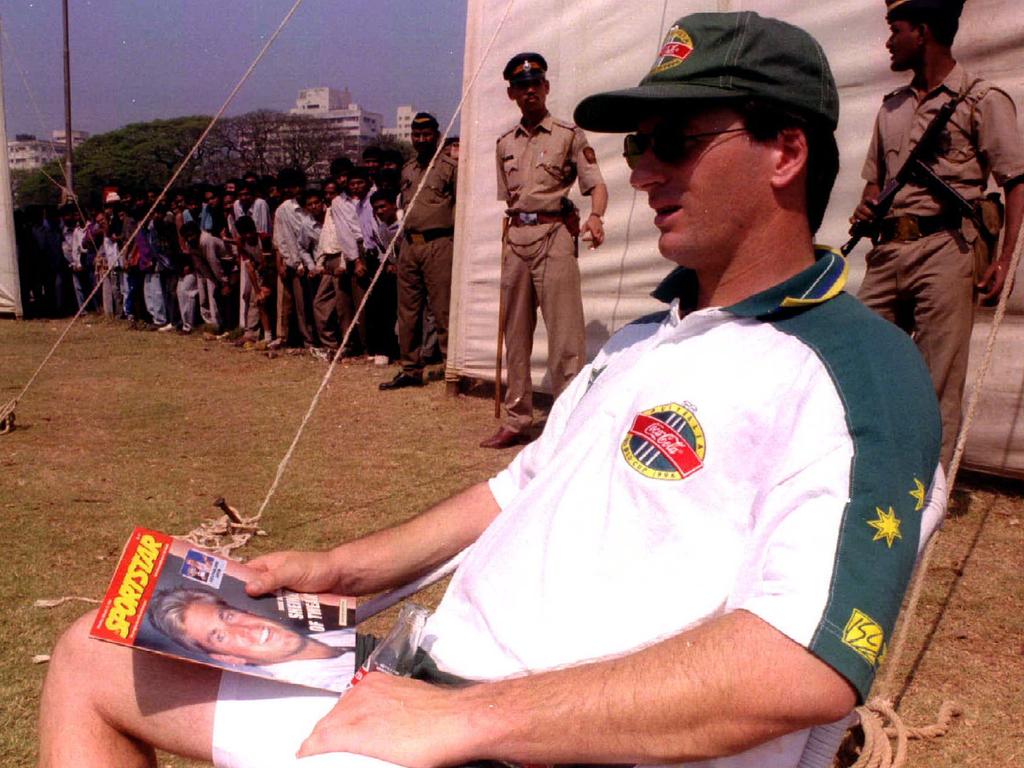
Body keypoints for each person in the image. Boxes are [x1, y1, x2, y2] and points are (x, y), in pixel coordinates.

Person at [40, 12, 946, 768]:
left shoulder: (854, 371)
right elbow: (514, 491)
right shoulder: (641, 338)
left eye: (675, 142)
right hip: (426, 681)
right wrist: (338, 573)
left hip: (534, 738)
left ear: (787, 152)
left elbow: (799, 665)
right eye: (637, 144)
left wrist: (464, 720)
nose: (642, 170)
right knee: (90, 658)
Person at [850, 0, 1024, 469]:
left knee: (937, 381)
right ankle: (869, 471)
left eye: (896, 29)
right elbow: (876, 183)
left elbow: (1015, 182)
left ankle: (928, 489)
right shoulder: (892, 107)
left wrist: (1003, 262)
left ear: (922, 32)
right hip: (889, 252)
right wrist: (866, 209)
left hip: (948, 249)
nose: (888, 40)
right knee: (860, 360)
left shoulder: (981, 100)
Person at [481, 52, 609, 448]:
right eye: (522, 86)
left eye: (536, 83)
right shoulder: (504, 144)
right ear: (511, 94)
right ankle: (518, 420)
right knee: (515, 333)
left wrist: (596, 217)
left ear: (547, 87)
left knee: (566, 333)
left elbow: (596, 185)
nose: (530, 90)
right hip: (516, 240)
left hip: (555, 238)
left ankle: (568, 420)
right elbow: (510, 198)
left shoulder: (569, 135)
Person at [148, 587, 356, 693]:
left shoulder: (333, 633)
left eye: (228, 616)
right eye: (220, 636)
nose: (244, 630)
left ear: (247, 611)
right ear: (228, 658)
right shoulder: (318, 687)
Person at [380, 112, 458, 390]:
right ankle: (411, 369)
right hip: (410, 245)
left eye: (426, 135)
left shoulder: (450, 167)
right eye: (416, 135)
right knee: (408, 312)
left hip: (439, 244)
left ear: (436, 136)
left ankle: (453, 370)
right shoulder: (408, 168)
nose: (421, 140)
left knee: (443, 310)